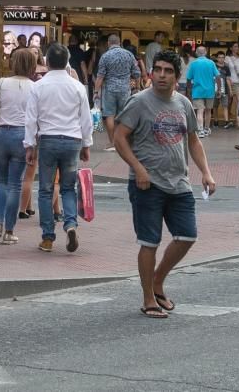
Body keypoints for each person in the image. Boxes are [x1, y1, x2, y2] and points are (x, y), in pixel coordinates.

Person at [114, 50, 216, 319]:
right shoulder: (138, 102)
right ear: (151, 73)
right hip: (147, 183)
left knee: (187, 235)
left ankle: (157, 280)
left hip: (179, 182)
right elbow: (119, 137)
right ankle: (148, 297)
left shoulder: (183, 104)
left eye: (168, 71)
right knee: (149, 242)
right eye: (157, 69)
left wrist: (206, 172)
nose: (161, 75)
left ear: (177, 76)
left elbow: (193, 140)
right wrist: (138, 169)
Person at [25, 43, 93, 253]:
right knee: (68, 187)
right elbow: (86, 118)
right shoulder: (77, 86)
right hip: (72, 140)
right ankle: (70, 224)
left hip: (48, 140)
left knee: (46, 189)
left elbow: (31, 119)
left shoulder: (38, 86)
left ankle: (47, 237)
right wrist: (86, 143)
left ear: (46, 62)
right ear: (67, 62)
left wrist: (30, 145)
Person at [0, 48, 37, 244]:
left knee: (2, 182)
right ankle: (9, 231)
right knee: (15, 184)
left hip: (0, 134)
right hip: (22, 135)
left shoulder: (1, 83)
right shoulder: (35, 87)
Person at [95, 34, 141, 151]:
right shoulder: (129, 55)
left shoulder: (105, 56)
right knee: (125, 116)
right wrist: (137, 87)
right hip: (125, 89)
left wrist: (96, 91)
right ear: (119, 43)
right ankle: (124, 142)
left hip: (109, 89)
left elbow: (100, 76)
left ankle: (112, 143)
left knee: (109, 116)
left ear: (109, 43)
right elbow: (137, 73)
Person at [185, 46, 219, 138]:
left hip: (197, 90)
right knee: (208, 111)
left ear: (196, 52)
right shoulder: (211, 63)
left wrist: (189, 89)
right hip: (210, 90)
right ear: (206, 52)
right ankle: (207, 129)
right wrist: (219, 89)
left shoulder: (193, 64)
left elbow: (188, 78)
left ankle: (200, 130)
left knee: (200, 111)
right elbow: (217, 76)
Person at [225, 41, 239, 129]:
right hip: (229, 81)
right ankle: (228, 119)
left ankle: (238, 122)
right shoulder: (227, 58)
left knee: (238, 101)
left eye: (237, 46)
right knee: (228, 102)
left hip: (238, 82)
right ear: (231, 48)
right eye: (235, 46)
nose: (237, 48)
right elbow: (225, 71)